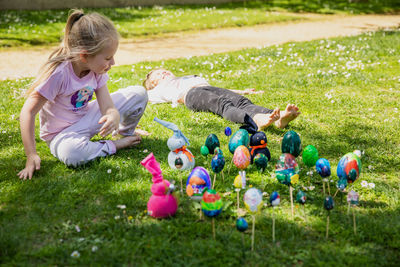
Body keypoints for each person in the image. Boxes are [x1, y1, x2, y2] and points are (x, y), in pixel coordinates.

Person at [18, 10, 148, 180]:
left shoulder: (96, 71)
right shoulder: (59, 74)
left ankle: (124, 132)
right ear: (85, 56)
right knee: (72, 153)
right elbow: (27, 112)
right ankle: (113, 145)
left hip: (86, 119)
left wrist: (113, 115)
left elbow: (107, 106)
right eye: (108, 58)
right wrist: (31, 154)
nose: (113, 63)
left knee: (139, 93)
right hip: (62, 136)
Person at [143, 68, 300, 130]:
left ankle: (278, 119)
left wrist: (243, 91)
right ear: (154, 84)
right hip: (191, 96)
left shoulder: (187, 78)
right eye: (159, 74)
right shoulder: (159, 90)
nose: (163, 73)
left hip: (206, 88)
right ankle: (257, 120)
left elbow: (220, 90)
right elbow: (142, 95)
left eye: (164, 71)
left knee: (241, 101)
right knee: (222, 105)